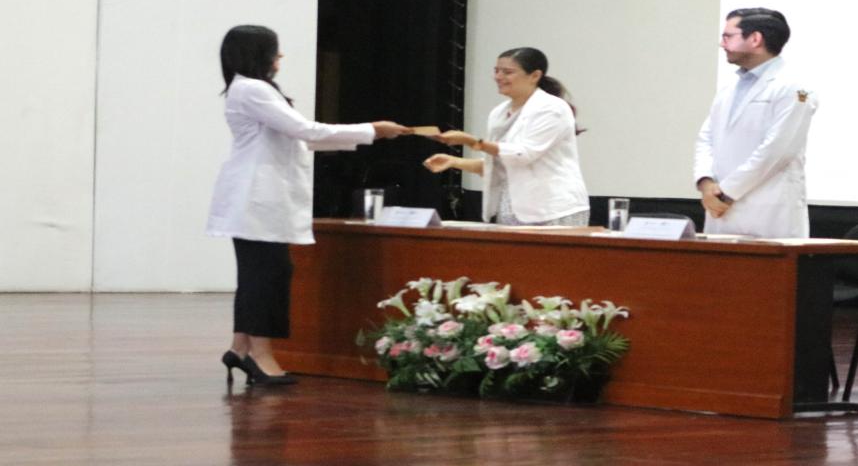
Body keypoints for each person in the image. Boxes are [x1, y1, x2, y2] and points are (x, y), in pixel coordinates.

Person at [207, 24, 410, 386]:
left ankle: (240, 348)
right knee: (267, 275)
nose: (279, 56)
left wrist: (366, 135)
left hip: (260, 200)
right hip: (257, 200)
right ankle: (261, 355)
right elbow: (308, 131)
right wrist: (372, 130)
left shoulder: (250, 89)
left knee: (260, 275)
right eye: (275, 50)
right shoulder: (252, 89)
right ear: (259, 54)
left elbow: (300, 138)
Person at [423, 47, 590, 225]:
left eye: (507, 72)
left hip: (553, 210)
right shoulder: (499, 113)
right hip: (512, 211)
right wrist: (454, 162)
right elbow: (498, 164)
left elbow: (522, 155)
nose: (498, 77)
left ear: (534, 76)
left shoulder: (552, 108)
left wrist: (471, 142)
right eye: (496, 71)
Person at [693, 8, 818, 238]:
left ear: (755, 39)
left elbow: (777, 151)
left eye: (728, 36)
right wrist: (706, 183)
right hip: (720, 208)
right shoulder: (728, 89)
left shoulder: (793, 86)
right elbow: (706, 138)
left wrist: (726, 193)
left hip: (766, 212)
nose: (722, 44)